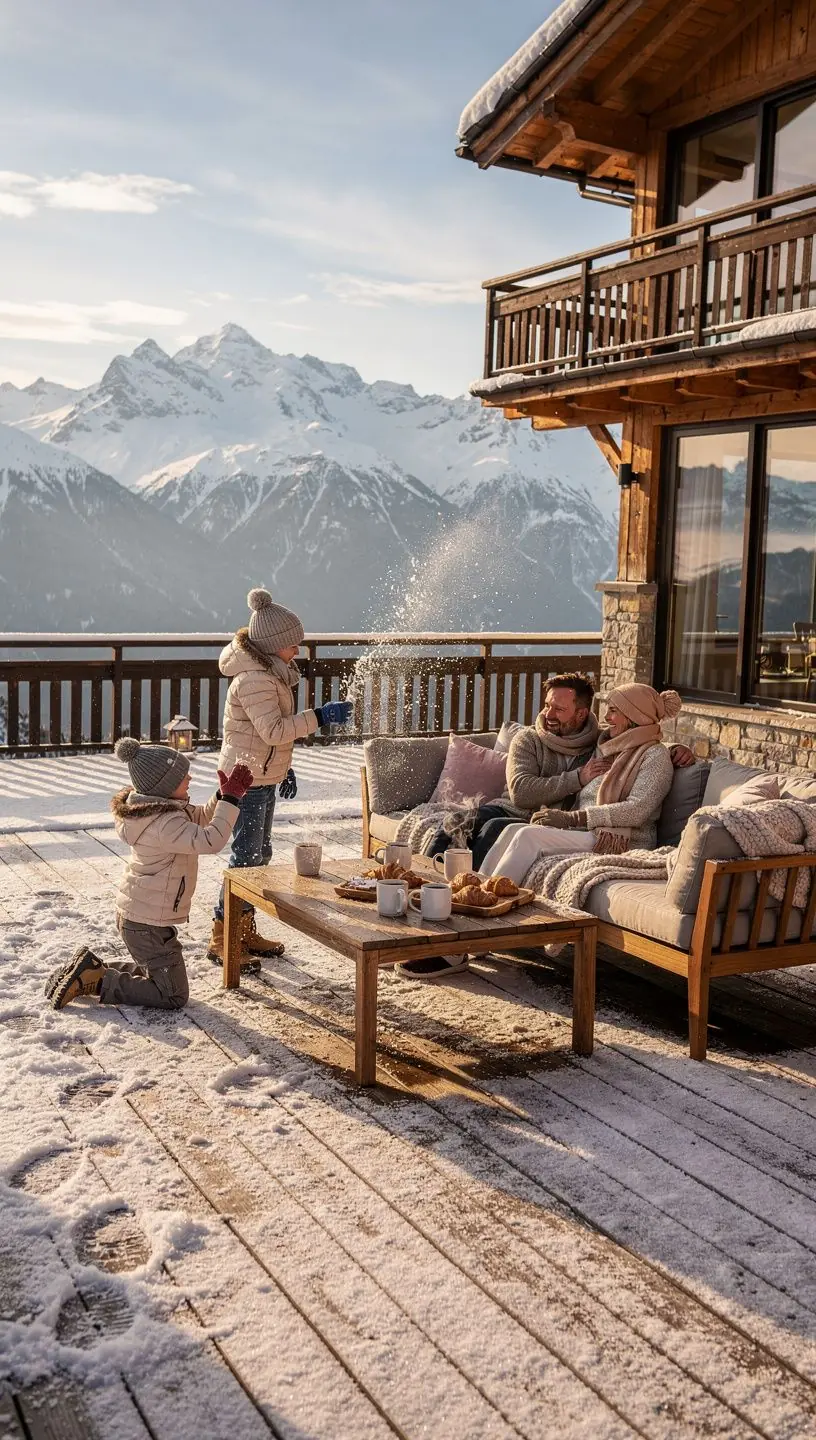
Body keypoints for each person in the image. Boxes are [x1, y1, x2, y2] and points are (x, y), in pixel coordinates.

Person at [44, 739, 253, 1011]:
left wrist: (223, 796)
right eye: (182, 775)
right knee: (173, 995)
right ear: (164, 787)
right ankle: (97, 981)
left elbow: (200, 818)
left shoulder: (159, 811)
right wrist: (231, 799)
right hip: (146, 925)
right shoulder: (164, 824)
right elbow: (210, 840)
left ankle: (90, 970)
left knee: (160, 976)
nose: (189, 778)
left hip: (141, 918)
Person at [208, 587, 353, 968]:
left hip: (260, 775)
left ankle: (243, 930)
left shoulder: (270, 673)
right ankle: (223, 937)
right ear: (273, 646)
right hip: (245, 781)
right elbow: (273, 731)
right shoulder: (254, 679)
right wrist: (320, 716)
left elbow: (264, 737)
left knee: (260, 856)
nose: (297, 651)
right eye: (292, 645)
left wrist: (283, 768)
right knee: (246, 859)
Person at [480, 683, 682, 885]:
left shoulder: (656, 756)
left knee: (527, 836)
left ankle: (496, 895)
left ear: (634, 715)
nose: (606, 717)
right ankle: (478, 890)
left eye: (613, 711)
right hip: (586, 833)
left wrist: (573, 818)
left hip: (620, 840)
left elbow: (637, 810)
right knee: (511, 830)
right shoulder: (611, 746)